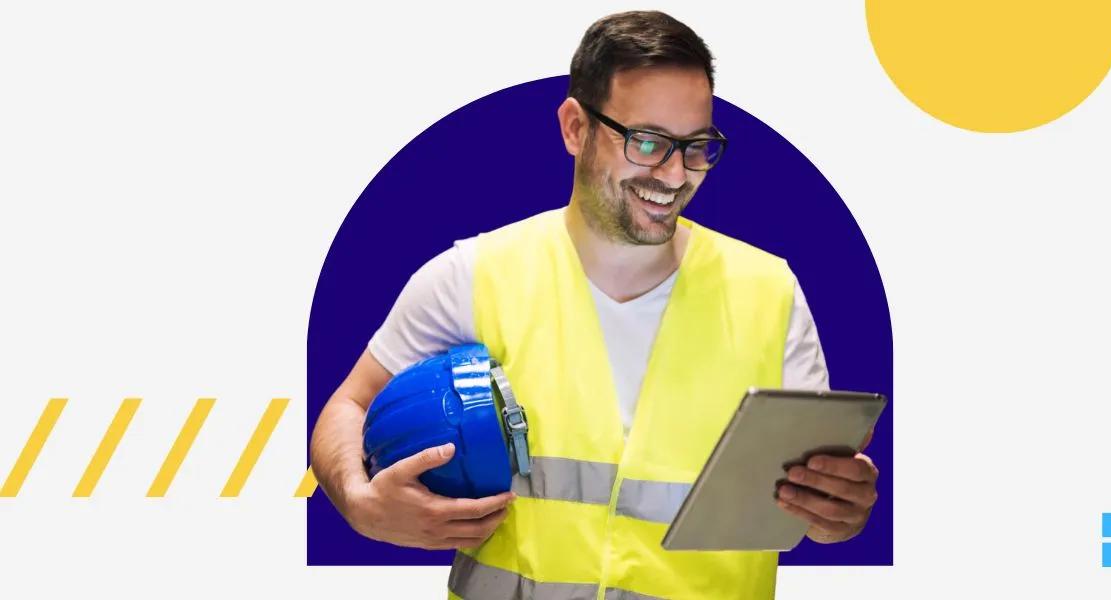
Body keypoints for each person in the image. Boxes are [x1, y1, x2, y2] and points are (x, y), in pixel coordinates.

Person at [310, 10, 880, 599]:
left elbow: (813, 505)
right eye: (649, 141)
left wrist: (840, 509)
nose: (675, 173)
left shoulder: (770, 293)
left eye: (696, 147)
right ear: (575, 127)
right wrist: (358, 501)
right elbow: (350, 404)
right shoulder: (473, 276)